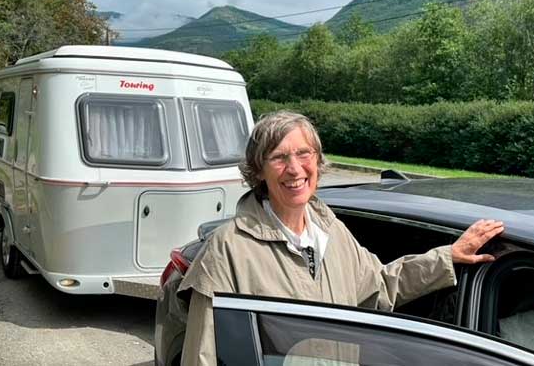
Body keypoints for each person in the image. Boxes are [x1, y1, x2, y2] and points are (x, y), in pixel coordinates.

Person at [178, 111, 504, 365]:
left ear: (317, 162)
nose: (294, 169)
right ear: (259, 171)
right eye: (279, 157)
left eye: (303, 153)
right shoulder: (229, 248)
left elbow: (380, 286)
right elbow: (202, 354)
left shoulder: (332, 232)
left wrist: (446, 257)